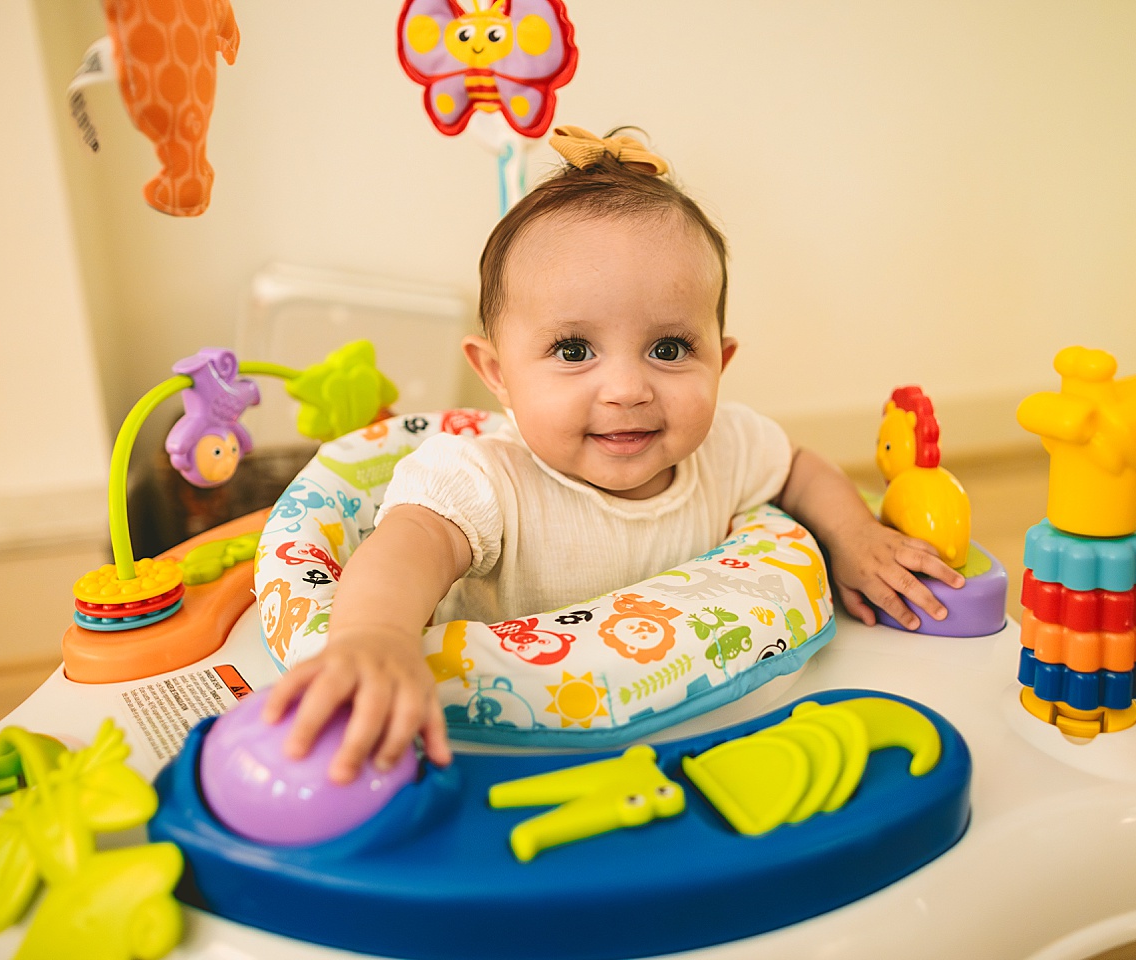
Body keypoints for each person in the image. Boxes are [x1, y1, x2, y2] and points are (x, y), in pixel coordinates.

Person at [264, 126, 964, 783]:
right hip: (495, 748)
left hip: (693, 731)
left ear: (721, 362)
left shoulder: (726, 446)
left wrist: (853, 535)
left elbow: (799, 466)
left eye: (668, 349)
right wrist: (377, 636)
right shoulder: (481, 475)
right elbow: (405, 546)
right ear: (498, 373)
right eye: (573, 351)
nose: (628, 390)